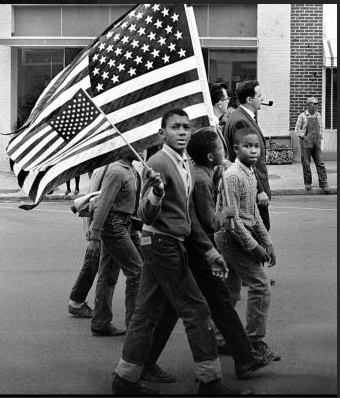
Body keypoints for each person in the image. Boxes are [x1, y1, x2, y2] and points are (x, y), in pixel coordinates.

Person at [111, 109, 250, 396]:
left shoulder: (184, 162)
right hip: (161, 244)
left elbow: (189, 217)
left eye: (186, 127)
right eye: (175, 127)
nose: (183, 132)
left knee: (146, 313)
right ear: (162, 134)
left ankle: (124, 379)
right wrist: (156, 194)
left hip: (171, 243)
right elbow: (144, 215)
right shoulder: (158, 162)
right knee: (197, 310)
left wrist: (208, 251)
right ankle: (210, 382)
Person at [140, 127, 275, 385]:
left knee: (177, 307)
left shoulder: (204, 173)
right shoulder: (201, 180)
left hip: (191, 250)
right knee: (217, 304)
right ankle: (238, 362)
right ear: (211, 156)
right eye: (220, 148)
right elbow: (206, 222)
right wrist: (223, 216)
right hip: (196, 251)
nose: (224, 151)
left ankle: (147, 360)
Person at [215, 125, 281, 363]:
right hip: (231, 238)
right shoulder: (232, 176)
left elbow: (252, 211)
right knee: (261, 286)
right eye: (247, 146)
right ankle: (254, 341)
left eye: (256, 147)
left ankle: (219, 337)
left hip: (244, 233)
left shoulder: (250, 173)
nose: (253, 151)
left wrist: (267, 241)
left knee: (231, 289)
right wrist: (254, 246)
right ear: (235, 148)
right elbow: (231, 220)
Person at [86, 147, 143, 336]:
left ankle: (101, 322)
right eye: (138, 145)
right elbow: (103, 204)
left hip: (126, 224)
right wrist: (94, 236)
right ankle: (134, 326)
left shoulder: (131, 170)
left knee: (108, 274)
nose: (142, 150)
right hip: (114, 225)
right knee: (137, 272)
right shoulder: (117, 171)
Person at [224, 80, 271, 232]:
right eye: (259, 95)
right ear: (249, 100)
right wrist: (260, 190)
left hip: (248, 186)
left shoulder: (241, 116)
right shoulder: (241, 121)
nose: (262, 99)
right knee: (258, 233)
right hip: (249, 188)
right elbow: (247, 160)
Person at [68, 165, 109, 318]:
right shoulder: (107, 170)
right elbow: (94, 201)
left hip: (117, 224)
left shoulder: (117, 167)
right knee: (93, 261)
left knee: (96, 263)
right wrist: (91, 231)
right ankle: (77, 302)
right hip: (105, 225)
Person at [294, 96, 330, 194]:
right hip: (306, 143)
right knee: (306, 163)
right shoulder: (302, 116)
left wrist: (320, 135)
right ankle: (308, 182)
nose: (316, 106)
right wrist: (304, 137)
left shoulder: (318, 115)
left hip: (316, 142)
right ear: (309, 105)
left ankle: (323, 183)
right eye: (314, 104)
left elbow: (321, 127)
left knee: (320, 163)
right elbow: (296, 130)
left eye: (317, 104)